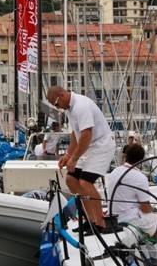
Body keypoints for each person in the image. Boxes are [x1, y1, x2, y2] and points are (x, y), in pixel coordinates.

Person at [48, 85, 116, 231]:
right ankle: (90, 220)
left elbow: (86, 135)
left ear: (62, 95)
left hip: (100, 147)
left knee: (85, 182)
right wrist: (68, 155)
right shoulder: (69, 109)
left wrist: (74, 158)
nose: (58, 107)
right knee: (71, 180)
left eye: (56, 104)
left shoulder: (81, 106)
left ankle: (101, 223)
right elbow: (76, 133)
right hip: (89, 148)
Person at [107, 144, 157, 264]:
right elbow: (145, 209)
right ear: (142, 160)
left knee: (156, 220)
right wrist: (154, 211)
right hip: (129, 218)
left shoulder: (115, 172)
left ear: (126, 157)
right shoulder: (139, 177)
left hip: (114, 216)